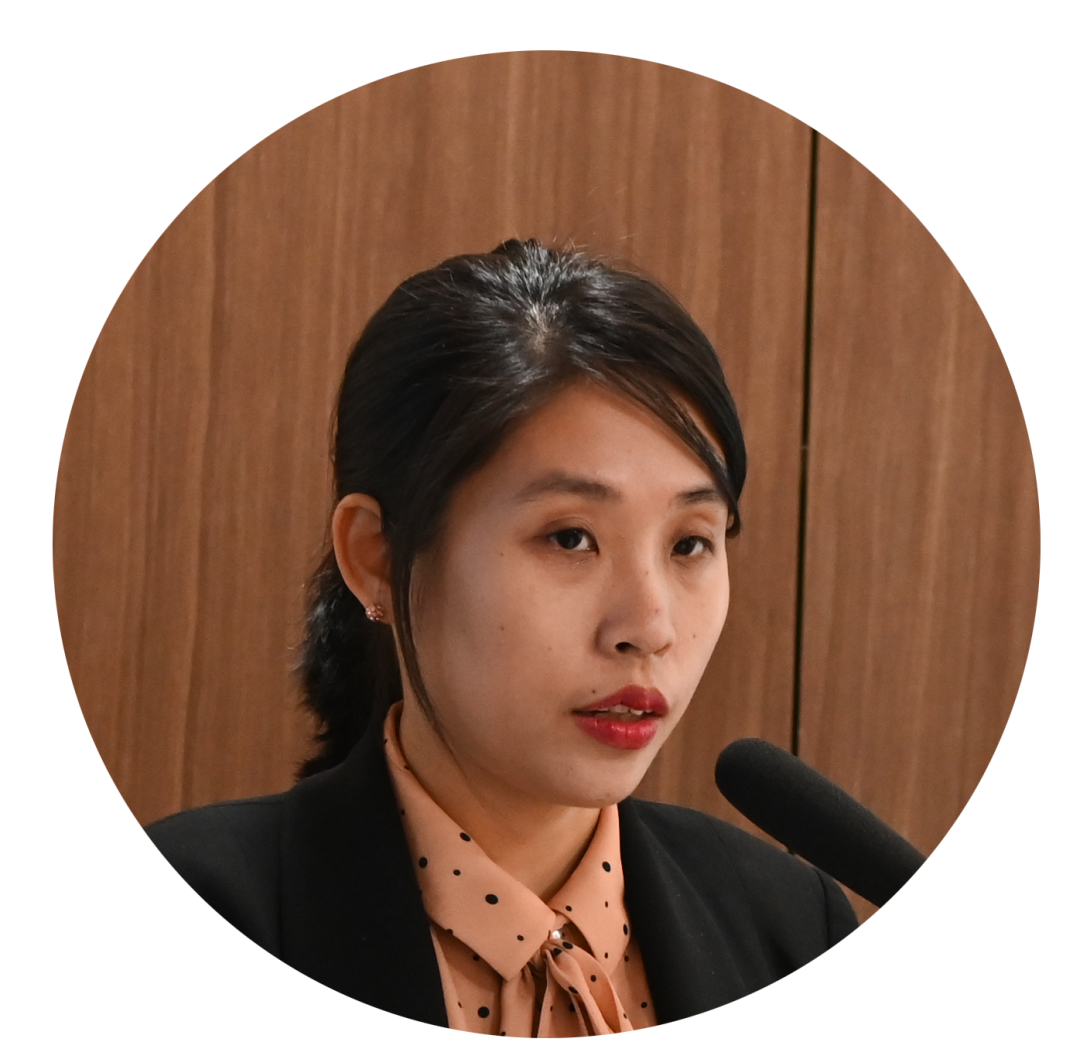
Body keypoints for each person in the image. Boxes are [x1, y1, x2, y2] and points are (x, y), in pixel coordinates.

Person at [145, 239, 858, 1034]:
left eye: (691, 542)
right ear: (378, 557)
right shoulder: (214, 896)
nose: (649, 627)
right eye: (570, 538)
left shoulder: (793, 926)